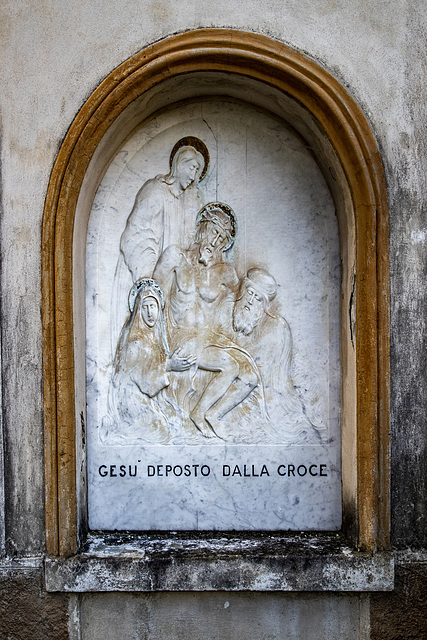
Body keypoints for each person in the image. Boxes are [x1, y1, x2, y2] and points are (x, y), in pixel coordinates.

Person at [154, 203, 260, 438]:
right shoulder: (175, 256)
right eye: (213, 231)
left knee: (250, 376)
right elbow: (153, 296)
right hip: (181, 336)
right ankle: (200, 413)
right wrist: (160, 349)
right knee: (230, 366)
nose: (215, 241)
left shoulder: (225, 271)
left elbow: (243, 301)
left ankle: (215, 413)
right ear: (201, 228)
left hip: (210, 339)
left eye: (222, 239)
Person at [111, 137, 209, 351]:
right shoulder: (155, 190)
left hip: (179, 280)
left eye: (197, 171)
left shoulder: (191, 200)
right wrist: (148, 281)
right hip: (154, 275)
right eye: (191, 168)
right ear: (180, 165)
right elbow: (137, 235)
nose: (193, 177)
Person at [232, 267, 326, 442]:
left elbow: (267, 376)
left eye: (257, 298)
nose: (250, 301)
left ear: (264, 305)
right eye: (250, 293)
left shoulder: (276, 327)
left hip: (267, 398)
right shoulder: (235, 317)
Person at [102, 278, 195, 443]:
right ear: (138, 310)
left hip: (144, 396)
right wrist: (169, 365)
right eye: (145, 308)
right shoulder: (135, 339)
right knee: (161, 432)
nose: (150, 312)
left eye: (153, 306)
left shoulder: (152, 336)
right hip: (131, 399)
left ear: (159, 308)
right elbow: (143, 377)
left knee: (178, 421)